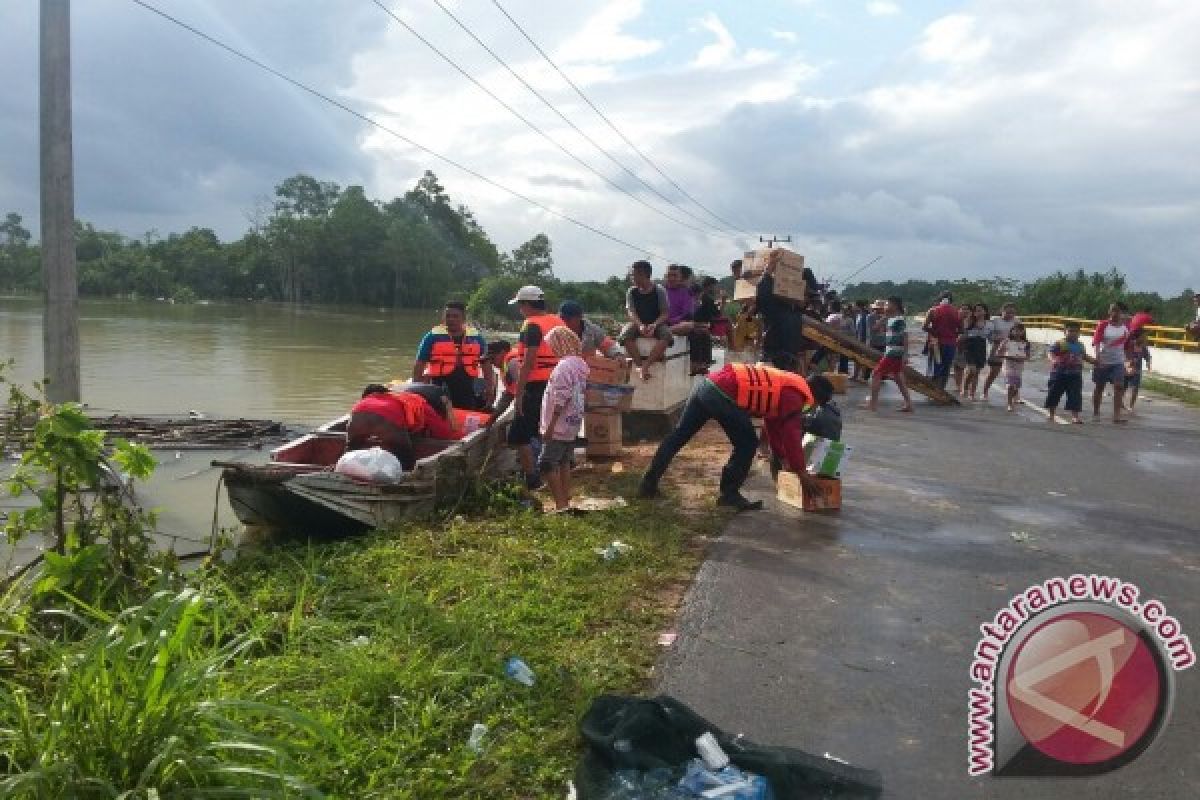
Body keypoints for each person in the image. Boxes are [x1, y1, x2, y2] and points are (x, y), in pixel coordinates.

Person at [638, 364, 835, 511]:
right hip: (722, 395)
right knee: (747, 444)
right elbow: (791, 435)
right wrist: (801, 472)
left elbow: (774, 425)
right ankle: (729, 495)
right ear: (816, 398)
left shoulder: (788, 383)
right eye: (814, 406)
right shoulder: (795, 396)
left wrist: (782, 457)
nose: (810, 410)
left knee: (679, 435)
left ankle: (648, 484)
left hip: (707, 385)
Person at [508, 285, 566, 488]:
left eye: (520, 305)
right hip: (559, 381)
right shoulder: (558, 321)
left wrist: (518, 394)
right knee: (552, 429)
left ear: (526, 304)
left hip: (537, 385)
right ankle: (556, 470)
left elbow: (529, 362)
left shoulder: (531, 325)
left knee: (518, 434)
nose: (519, 310)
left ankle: (532, 478)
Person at [346, 384, 461, 471]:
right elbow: (443, 433)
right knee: (406, 457)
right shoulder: (418, 402)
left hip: (356, 417)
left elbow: (370, 417)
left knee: (350, 451)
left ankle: (341, 470)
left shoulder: (372, 398)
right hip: (386, 422)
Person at [539, 326, 589, 512]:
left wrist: (550, 425)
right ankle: (565, 499)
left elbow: (560, 397)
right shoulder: (580, 365)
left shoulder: (563, 367)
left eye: (552, 345)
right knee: (564, 461)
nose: (551, 349)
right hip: (572, 423)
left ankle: (560, 504)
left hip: (559, 425)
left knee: (547, 463)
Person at [411, 301, 488, 410]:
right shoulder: (432, 337)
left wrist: (489, 386)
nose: (451, 319)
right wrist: (416, 387)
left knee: (467, 409)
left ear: (463, 318)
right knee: (440, 411)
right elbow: (420, 363)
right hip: (439, 386)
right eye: (448, 316)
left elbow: (486, 363)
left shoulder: (476, 337)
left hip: (466, 386)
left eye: (455, 316)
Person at [619, 260, 673, 380]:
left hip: (657, 323)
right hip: (638, 322)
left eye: (633, 275)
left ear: (643, 275)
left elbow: (665, 313)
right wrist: (640, 325)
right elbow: (631, 312)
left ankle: (646, 366)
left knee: (666, 335)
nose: (632, 277)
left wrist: (654, 325)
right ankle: (639, 365)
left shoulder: (659, 291)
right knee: (625, 335)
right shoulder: (631, 292)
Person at [757, 249, 805, 373]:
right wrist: (769, 270)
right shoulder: (775, 309)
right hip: (777, 359)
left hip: (788, 360)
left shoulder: (794, 312)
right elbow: (763, 292)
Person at [864, 296, 914, 413]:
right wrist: (883, 318)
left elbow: (905, 337)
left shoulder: (899, 319)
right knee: (898, 377)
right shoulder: (890, 319)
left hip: (893, 352)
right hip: (893, 351)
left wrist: (906, 354)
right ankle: (909, 404)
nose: (885, 307)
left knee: (876, 374)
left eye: (887, 304)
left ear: (895, 306)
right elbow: (875, 329)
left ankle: (873, 404)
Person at [1092, 302, 1130, 424]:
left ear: (1122, 313)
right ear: (1109, 312)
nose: (1115, 313)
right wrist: (1097, 358)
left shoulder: (1126, 327)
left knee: (1119, 387)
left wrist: (1129, 361)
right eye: (1113, 310)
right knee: (1099, 387)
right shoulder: (1103, 325)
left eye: (1118, 311)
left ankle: (1116, 416)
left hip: (1118, 362)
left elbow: (1128, 344)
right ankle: (1096, 411)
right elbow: (1097, 342)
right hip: (1103, 361)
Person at [1045, 321, 1086, 424]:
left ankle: (1075, 416)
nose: (1073, 333)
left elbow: (1084, 356)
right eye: (1071, 331)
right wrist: (1053, 360)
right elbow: (1050, 352)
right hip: (1059, 373)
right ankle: (1051, 414)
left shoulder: (1081, 345)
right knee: (1054, 393)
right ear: (1065, 332)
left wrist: (1095, 361)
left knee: (1075, 395)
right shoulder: (1059, 343)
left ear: (1079, 333)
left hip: (1075, 374)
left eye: (1076, 331)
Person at [922, 291, 962, 391]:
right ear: (951, 300)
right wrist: (952, 334)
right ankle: (941, 389)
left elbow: (924, 327)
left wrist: (935, 332)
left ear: (939, 300)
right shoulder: (957, 312)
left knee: (935, 366)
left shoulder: (933, 310)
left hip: (936, 344)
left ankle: (933, 388)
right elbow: (961, 330)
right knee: (946, 367)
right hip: (950, 344)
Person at [559, 301, 623, 358]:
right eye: (562, 319)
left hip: (587, 367)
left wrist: (618, 354)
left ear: (579, 317)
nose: (564, 321)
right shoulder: (556, 331)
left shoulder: (593, 331)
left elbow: (607, 345)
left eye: (567, 319)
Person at [982, 303, 1019, 400]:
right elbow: (988, 334)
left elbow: (1021, 334)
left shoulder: (1017, 321)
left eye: (1012, 313)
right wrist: (996, 339)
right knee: (993, 372)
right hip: (996, 349)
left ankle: (1015, 396)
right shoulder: (995, 320)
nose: (1010, 315)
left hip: (1011, 350)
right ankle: (985, 392)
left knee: (1013, 374)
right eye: (1008, 312)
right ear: (1002, 311)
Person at [996, 322, 1031, 413]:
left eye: (1020, 331)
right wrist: (1008, 357)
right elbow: (998, 353)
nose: (1018, 332)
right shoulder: (1006, 341)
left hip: (1019, 367)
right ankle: (1009, 404)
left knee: (1016, 387)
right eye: (1015, 330)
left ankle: (1013, 396)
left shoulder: (1026, 343)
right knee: (1010, 385)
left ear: (1023, 332)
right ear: (1012, 331)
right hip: (1008, 365)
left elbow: (1028, 356)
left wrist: (1022, 358)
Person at [960, 303, 992, 401]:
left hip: (981, 347)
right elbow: (963, 335)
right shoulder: (968, 321)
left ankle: (972, 393)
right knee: (972, 370)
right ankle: (964, 388)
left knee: (976, 372)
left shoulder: (989, 324)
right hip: (969, 347)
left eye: (980, 310)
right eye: (976, 310)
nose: (977, 312)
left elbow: (990, 338)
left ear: (985, 312)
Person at [1125, 328, 1152, 413]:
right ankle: (1120, 402)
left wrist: (1148, 363)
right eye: (1144, 336)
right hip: (1126, 369)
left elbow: (1148, 356)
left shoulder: (1143, 347)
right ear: (1138, 337)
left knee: (1135, 388)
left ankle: (1131, 406)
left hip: (1137, 371)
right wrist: (1130, 361)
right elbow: (1124, 354)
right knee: (1123, 387)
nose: (1145, 338)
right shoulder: (1130, 345)